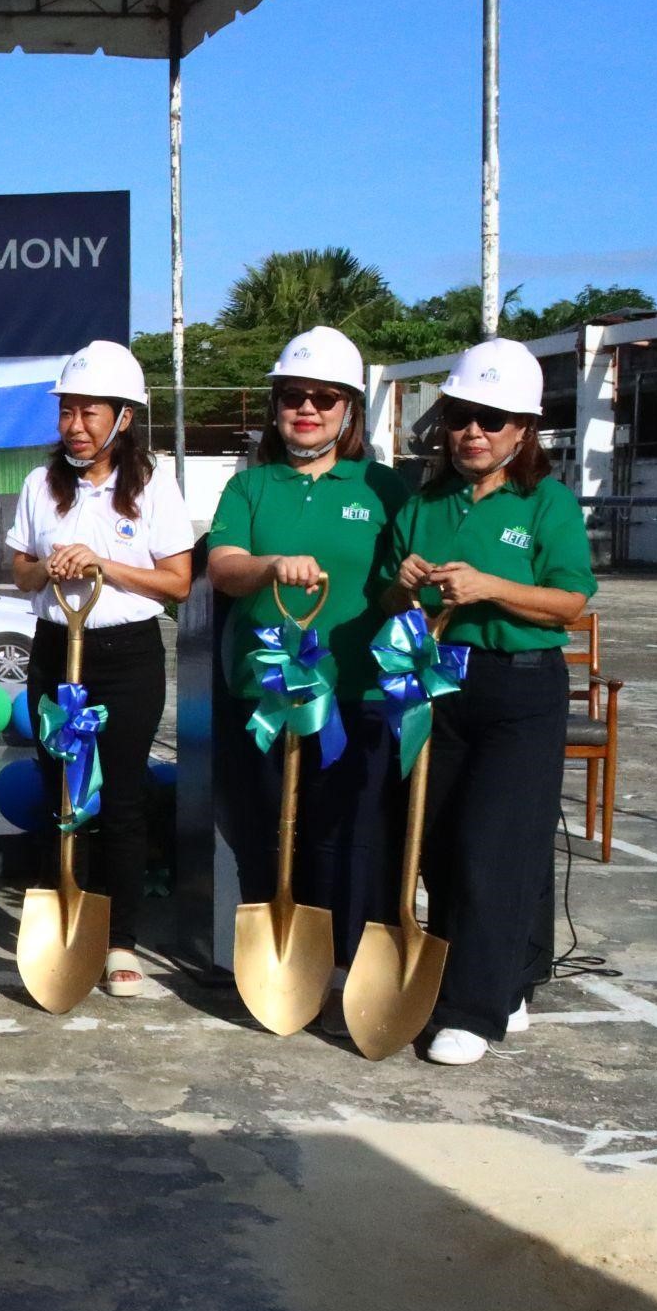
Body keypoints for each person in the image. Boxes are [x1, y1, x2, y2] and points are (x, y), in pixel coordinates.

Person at [383, 338, 594, 1065]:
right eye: (463, 415)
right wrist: (404, 584)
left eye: (493, 419)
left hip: (520, 685)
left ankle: (476, 1005)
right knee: (437, 841)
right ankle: (506, 975)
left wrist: (492, 587)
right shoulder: (425, 503)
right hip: (438, 679)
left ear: (523, 429)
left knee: (494, 845)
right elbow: (388, 598)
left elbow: (570, 602)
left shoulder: (547, 502)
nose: (474, 431)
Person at [207, 327, 409, 1032]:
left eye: (325, 399)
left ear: (350, 411)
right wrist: (270, 565)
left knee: (345, 834)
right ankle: (278, 964)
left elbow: (407, 573)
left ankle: (344, 965)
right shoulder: (250, 485)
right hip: (263, 696)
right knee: (265, 828)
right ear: (275, 404)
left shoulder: (385, 488)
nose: (307, 410)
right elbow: (222, 564)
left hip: (356, 694)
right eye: (293, 396)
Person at [5, 340, 194, 997]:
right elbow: (19, 568)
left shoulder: (152, 486)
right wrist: (48, 565)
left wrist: (102, 564)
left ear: (123, 418)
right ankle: (64, 912)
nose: (76, 424)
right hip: (57, 650)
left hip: (125, 657)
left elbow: (177, 582)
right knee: (61, 791)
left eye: (91, 412)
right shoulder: (39, 484)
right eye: (68, 411)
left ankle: (119, 941)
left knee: (119, 798)